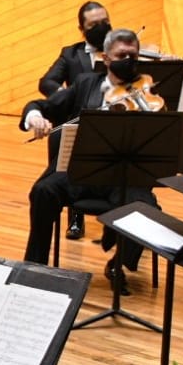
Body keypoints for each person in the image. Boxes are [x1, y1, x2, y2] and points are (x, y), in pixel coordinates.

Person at [18, 27, 159, 292]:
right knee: (43, 191)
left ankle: (118, 264)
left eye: (133, 55)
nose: (128, 61)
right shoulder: (85, 84)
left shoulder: (147, 91)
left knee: (146, 210)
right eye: (121, 55)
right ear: (106, 58)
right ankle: (34, 265)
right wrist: (35, 116)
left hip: (124, 178)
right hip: (80, 172)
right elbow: (42, 105)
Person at [39, 2, 112, 240]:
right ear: (82, 28)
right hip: (78, 124)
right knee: (64, 154)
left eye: (104, 22)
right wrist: (64, 97)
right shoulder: (70, 54)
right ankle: (75, 218)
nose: (101, 28)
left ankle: (119, 226)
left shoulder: (121, 50)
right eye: (94, 25)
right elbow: (47, 81)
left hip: (113, 125)